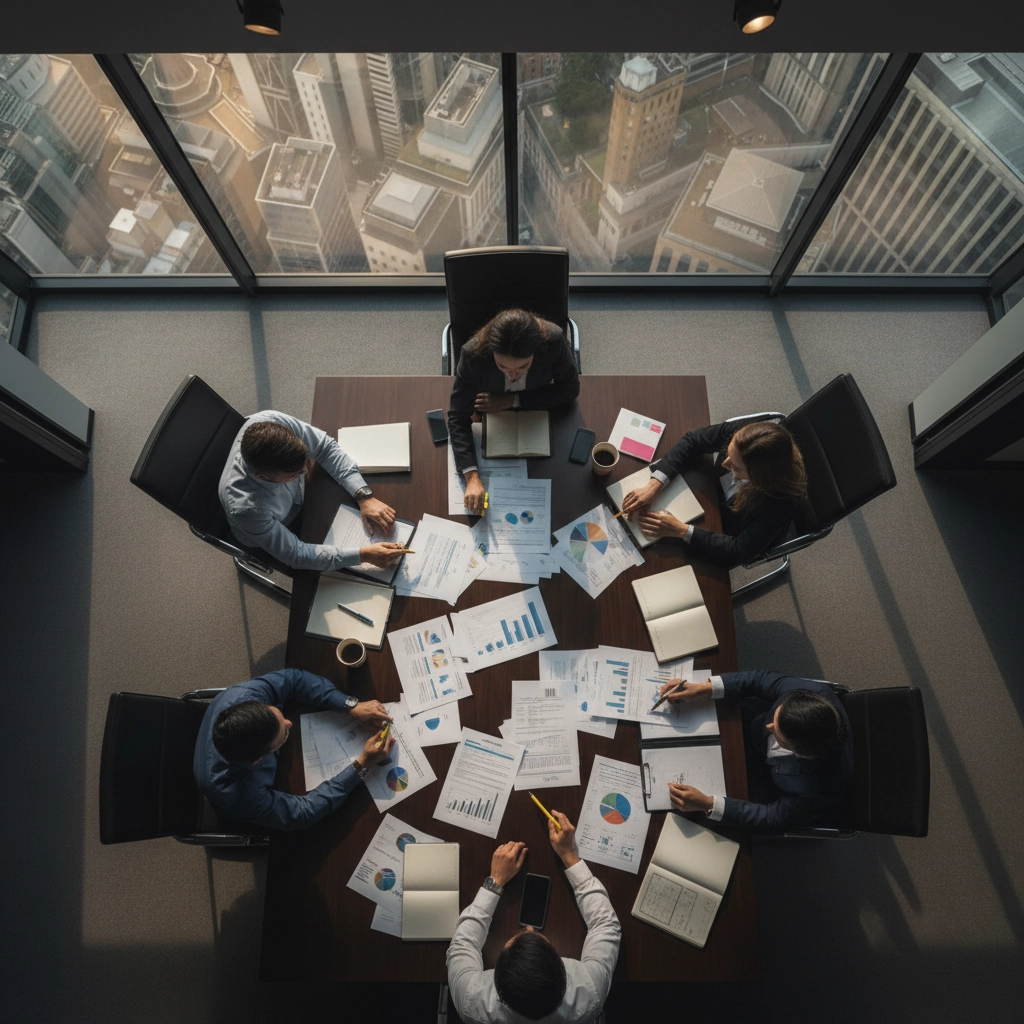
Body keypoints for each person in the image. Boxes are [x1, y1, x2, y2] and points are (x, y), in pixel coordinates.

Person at [446, 811, 620, 1023]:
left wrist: (495, 881)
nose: (529, 928)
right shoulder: (588, 991)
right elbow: (605, 925)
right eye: (537, 936)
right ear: (563, 969)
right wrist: (569, 856)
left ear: (495, 980)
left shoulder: (471, 1002)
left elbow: (463, 944)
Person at [193, 667, 395, 831]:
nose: (289, 723)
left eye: (277, 715)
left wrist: (349, 705)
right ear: (258, 760)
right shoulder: (240, 794)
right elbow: (302, 814)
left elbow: (293, 680)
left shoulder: (241, 697)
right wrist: (361, 765)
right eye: (284, 734)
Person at [658, 669, 852, 833]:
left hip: (763, 778)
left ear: (799, 752)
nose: (769, 727)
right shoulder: (811, 691)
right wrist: (704, 687)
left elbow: (771, 819)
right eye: (775, 718)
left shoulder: (820, 790)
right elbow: (758, 680)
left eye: (777, 733)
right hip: (749, 721)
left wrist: (708, 805)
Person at [219, 409, 405, 571]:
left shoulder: (271, 420)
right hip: (281, 525)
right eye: (295, 473)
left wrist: (363, 496)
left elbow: (325, 447)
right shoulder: (248, 510)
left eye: (304, 463)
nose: (306, 471)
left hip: (306, 497)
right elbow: (296, 555)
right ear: (263, 477)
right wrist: (363, 555)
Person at [619, 419, 806, 567]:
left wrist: (681, 531)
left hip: (728, 526)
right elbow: (694, 440)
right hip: (708, 493)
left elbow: (738, 551)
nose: (724, 463)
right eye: (728, 453)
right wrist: (654, 485)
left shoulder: (779, 502)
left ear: (759, 477)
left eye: (735, 467)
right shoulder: (746, 437)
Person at [449, 308, 580, 514]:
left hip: (538, 420)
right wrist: (472, 477)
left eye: (522, 367)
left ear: (536, 353)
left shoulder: (553, 340)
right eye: (502, 366)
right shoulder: (473, 354)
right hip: (492, 424)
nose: (512, 376)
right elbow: (457, 417)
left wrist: (514, 400)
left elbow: (570, 388)